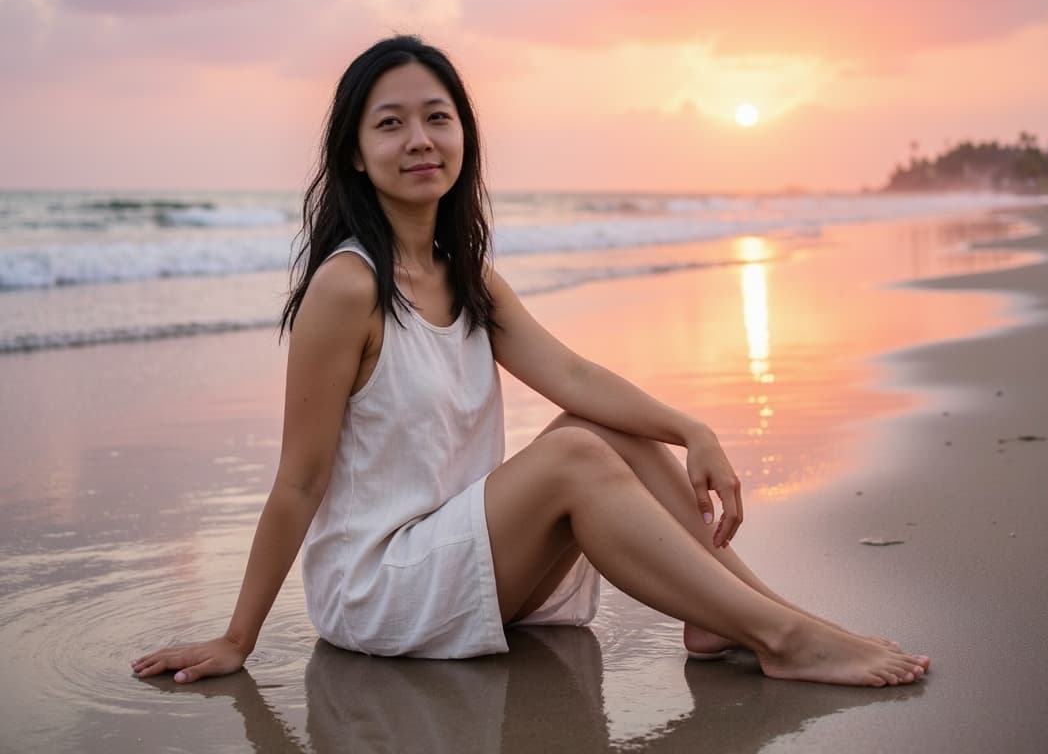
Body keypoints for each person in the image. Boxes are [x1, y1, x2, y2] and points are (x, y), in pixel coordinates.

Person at [132, 36, 929, 687]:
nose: (419, 140)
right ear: (353, 155)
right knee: (577, 452)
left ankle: (742, 620)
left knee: (600, 427)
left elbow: (576, 378)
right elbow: (299, 482)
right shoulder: (347, 289)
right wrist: (240, 636)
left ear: (463, 138)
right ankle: (787, 638)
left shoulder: (464, 274)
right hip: (378, 590)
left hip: (463, 553)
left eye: (437, 118)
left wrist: (693, 430)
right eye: (390, 124)